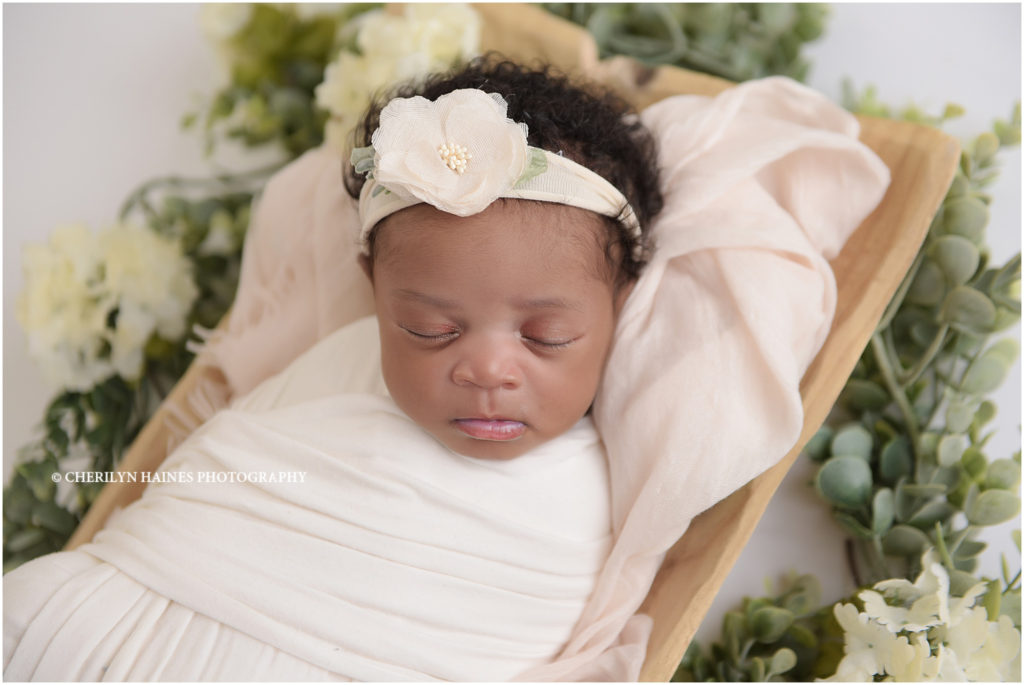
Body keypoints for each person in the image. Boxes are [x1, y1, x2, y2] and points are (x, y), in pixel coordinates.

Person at [3, 58, 665, 681]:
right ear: (374, 288)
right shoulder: (336, 366)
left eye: (547, 336)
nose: (488, 369)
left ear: (620, 304)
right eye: (429, 330)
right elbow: (197, 505)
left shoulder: (606, 483)